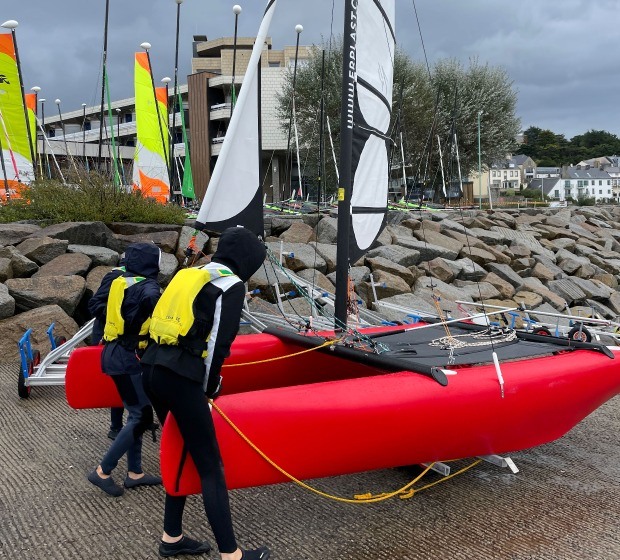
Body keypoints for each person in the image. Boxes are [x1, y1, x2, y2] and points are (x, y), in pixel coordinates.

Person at [141, 226, 270, 560]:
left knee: (178, 449)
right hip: (181, 377)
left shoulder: (191, 273)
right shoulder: (231, 285)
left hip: (152, 369)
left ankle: (171, 537)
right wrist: (209, 390)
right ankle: (232, 554)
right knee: (211, 466)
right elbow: (217, 345)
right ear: (247, 260)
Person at [87, 242, 162, 497]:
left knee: (136, 414)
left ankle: (135, 472)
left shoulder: (122, 280)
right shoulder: (148, 287)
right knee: (141, 415)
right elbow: (154, 304)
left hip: (117, 353)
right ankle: (102, 471)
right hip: (126, 357)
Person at [87, 256, 127, 440]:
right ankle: (116, 426)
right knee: (118, 381)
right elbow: (95, 304)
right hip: (107, 334)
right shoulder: (115, 277)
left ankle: (138, 419)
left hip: (122, 335)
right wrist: (118, 314)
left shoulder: (138, 278)